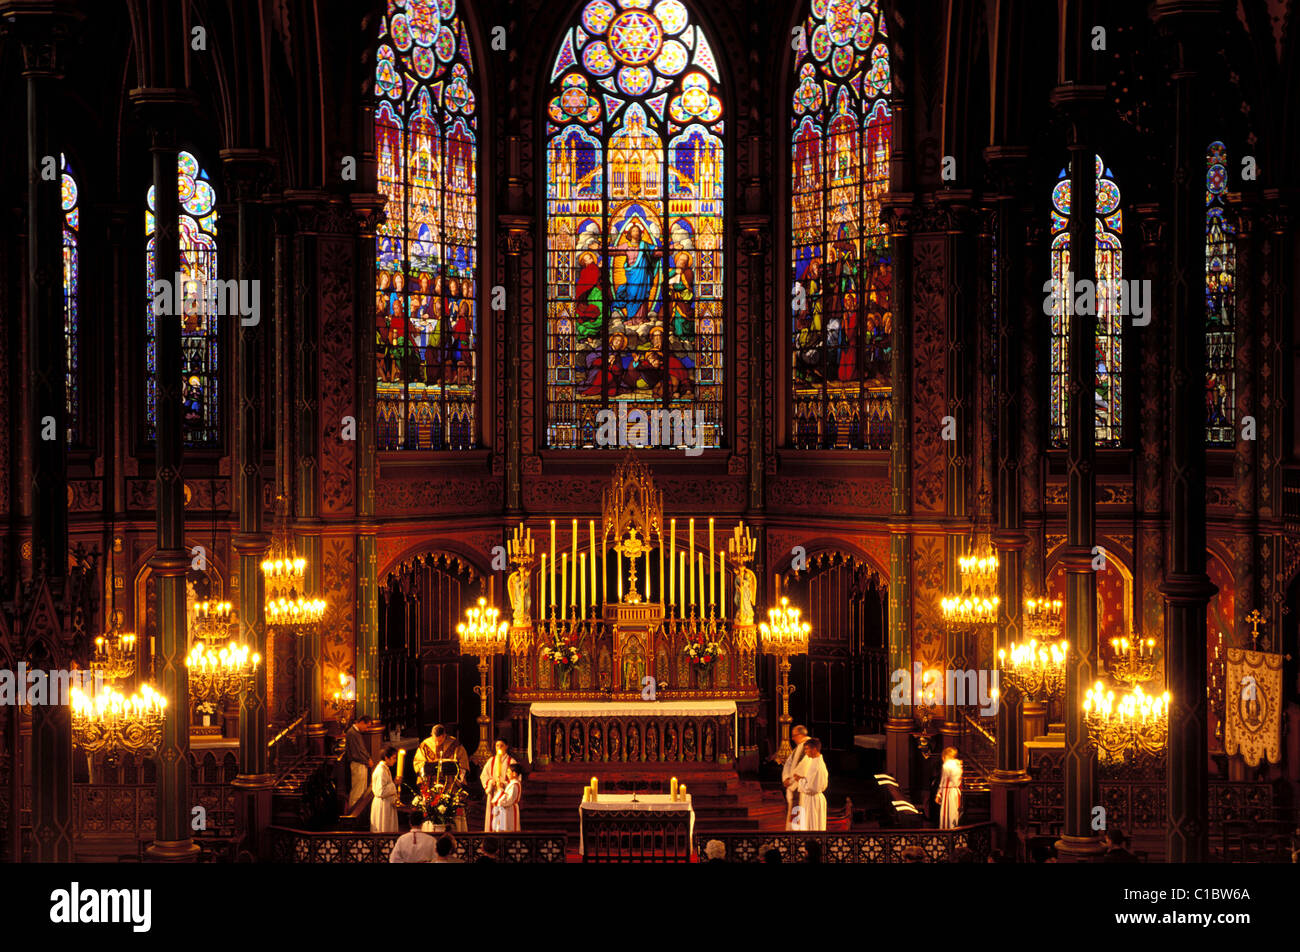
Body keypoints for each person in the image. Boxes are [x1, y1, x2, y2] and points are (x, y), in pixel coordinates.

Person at [479, 740, 517, 831]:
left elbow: (516, 778)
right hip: (493, 793)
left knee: (503, 822)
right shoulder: (491, 761)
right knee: (492, 819)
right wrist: (490, 782)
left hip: (505, 795)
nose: (499, 748)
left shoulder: (511, 762)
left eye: (501, 745)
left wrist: (504, 784)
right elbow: (483, 776)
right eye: (497, 746)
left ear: (506, 747)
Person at [793, 737, 828, 831]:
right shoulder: (815, 762)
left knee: (812, 827)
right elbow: (811, 781)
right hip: (812, 799)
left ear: (814, 749)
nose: (805, 751)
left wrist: (799, 780)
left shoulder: (816, 765)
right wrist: (802, 779)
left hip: (813, 800)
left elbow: (811, 787)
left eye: (807, 749)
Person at [781, 725, 809, 830]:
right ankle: (793, 831)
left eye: (794, 736)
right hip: (794, 784)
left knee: (798, 810)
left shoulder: (808, 746)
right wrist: (786, 778)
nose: (792, 738)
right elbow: (788, 763)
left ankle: (796, 833)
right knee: (794, 810)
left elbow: (803, 767)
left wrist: (791, 780)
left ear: (801, 735)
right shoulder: (799, 747)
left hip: (799, 786)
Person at [345, 715, 373, 811]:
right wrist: (367, 760)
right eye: (367, 726)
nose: (367, 729)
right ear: (361, 722)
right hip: (358, 764)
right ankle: (352, 814)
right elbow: (355, 754)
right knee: (357, 791)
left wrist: (368, 758)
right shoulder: (352, 733)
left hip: (362, 764)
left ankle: (358, 813)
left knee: (362, 791)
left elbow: (361, 750)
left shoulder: (356, 733)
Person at [370, 746, 399, 833]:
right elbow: (380, 791)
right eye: (394, 758)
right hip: (382, 805)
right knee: (383, 830)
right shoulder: (381, 771)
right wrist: (394, 784)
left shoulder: (385, 769)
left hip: (386, 804)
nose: (395, 760)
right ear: (387, 758)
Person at [936, 747, 962, 830]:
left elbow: (943, 781)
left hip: (948, 791)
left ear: (945, 756)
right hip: (956, 791)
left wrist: (939, 794)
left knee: (946, 814)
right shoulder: (958, 765)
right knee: (954, 813)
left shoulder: (947, 765)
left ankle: (946, 833)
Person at [491, 763, 522, 832]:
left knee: (509, 828)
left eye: (508, 771)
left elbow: (508, 800)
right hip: (506, 810)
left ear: (514, 774)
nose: (507, 773)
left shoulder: (514, 785)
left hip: (510, 810)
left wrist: (500, 790)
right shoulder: (511, 784)